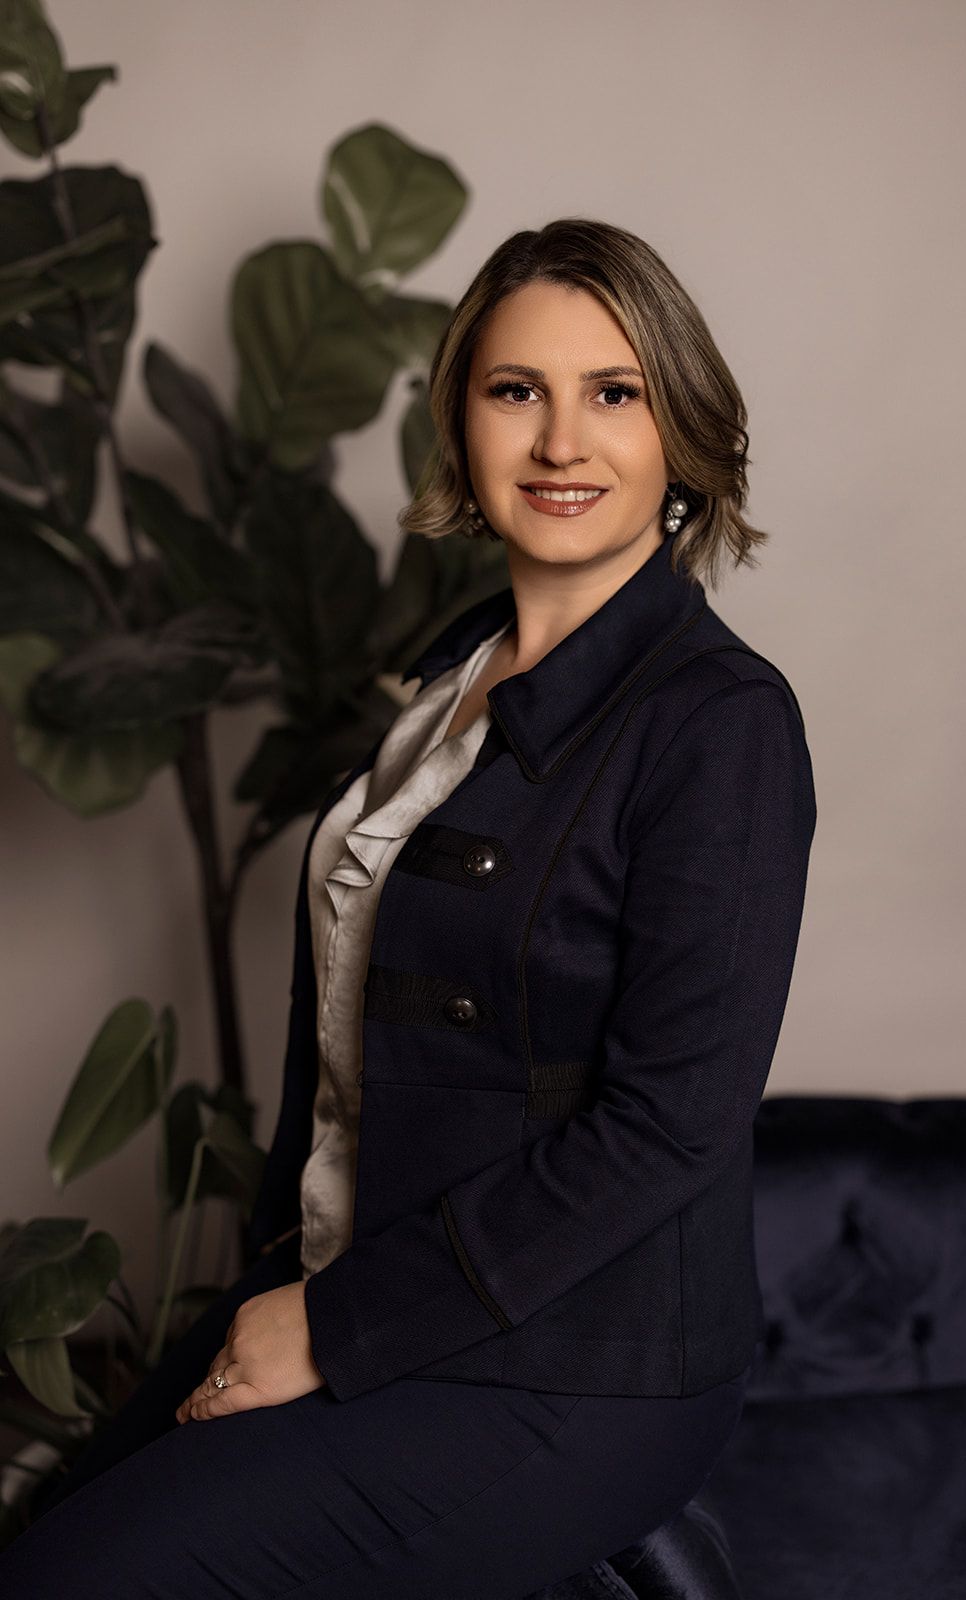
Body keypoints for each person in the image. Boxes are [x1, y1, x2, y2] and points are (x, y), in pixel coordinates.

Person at [0, 217, 816, 1598]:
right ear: (461, 425)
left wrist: (329, 1329)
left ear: (678, 429)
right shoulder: (446, 680)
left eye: (612, 393)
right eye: (517, 392)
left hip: (570, 1368)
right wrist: (271, 1299)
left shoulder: (719, 721)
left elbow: (668, 1128)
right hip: (354, 1286)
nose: (562, 441)